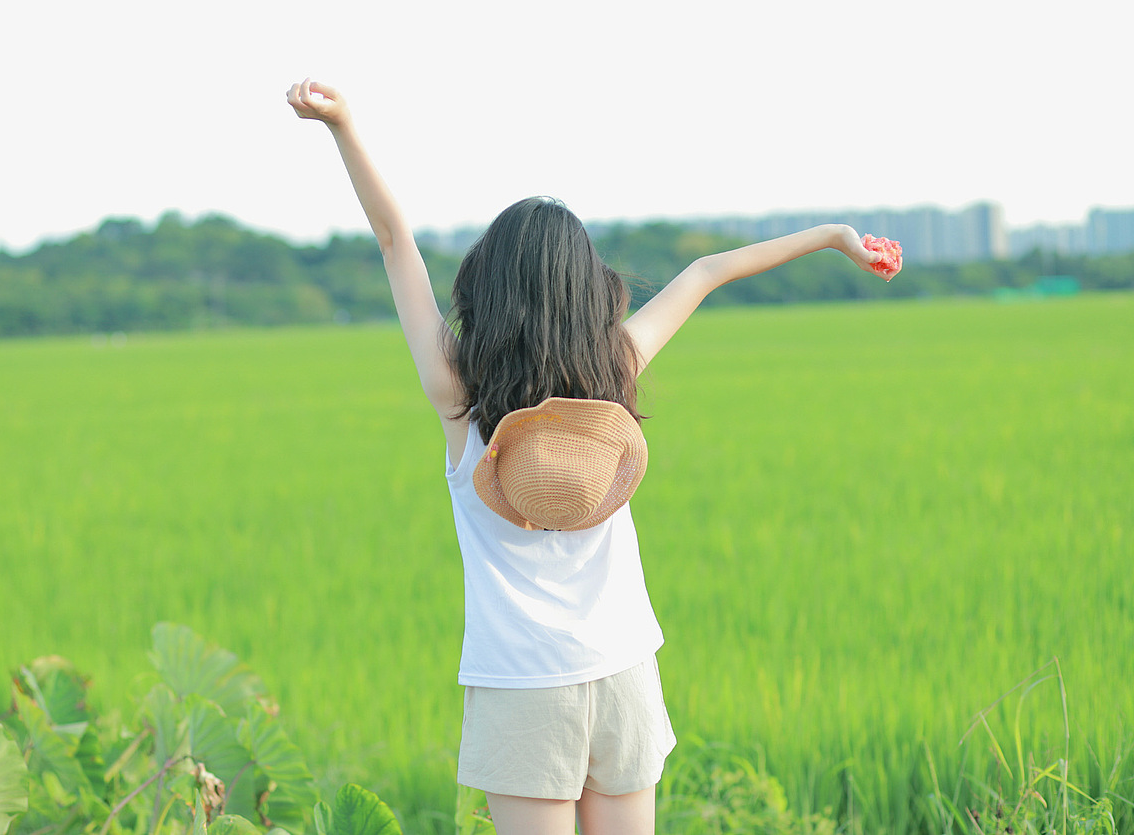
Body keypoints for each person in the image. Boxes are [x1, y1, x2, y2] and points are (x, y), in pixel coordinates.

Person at [287, 77, 885, 835]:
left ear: (488, 288)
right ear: (587, 289)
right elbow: (705, 272)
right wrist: (834, 235)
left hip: (523, 685)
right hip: (625, 671)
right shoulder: (616, 372)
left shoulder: (461, 396)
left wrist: (341, 124)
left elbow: (393, 240)